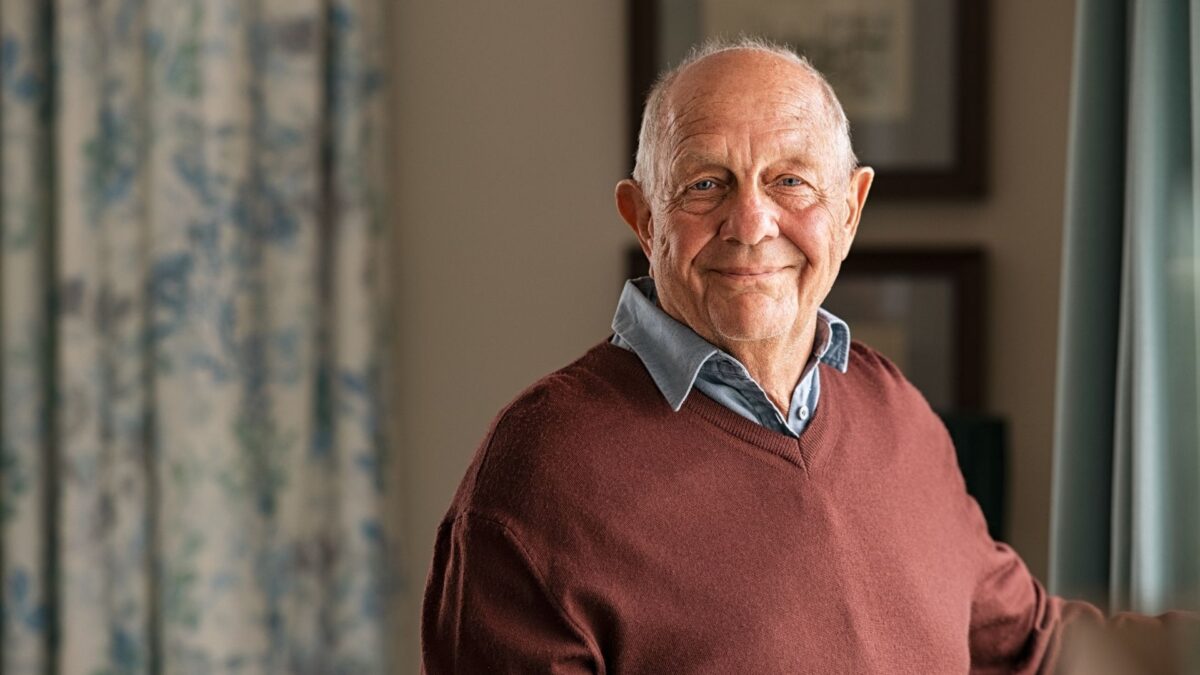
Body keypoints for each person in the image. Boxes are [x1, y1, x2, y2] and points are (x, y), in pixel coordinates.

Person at [421, 37, 1194, 673]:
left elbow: (1033, 647)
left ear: (851, 209)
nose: (751, 222)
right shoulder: (537, 474)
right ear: (643, 217)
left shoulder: (895, 411)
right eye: (704, 184)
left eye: (790, 180)